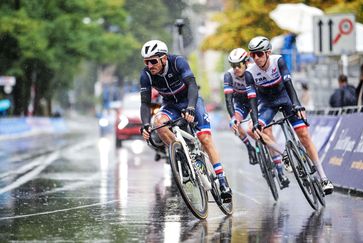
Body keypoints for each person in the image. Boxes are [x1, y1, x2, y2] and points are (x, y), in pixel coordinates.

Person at [139, 40, 232, 201]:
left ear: (164, 58)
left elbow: (192, 85)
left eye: (153, 61)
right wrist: (145, 125)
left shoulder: (178, 62)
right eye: (146, 61)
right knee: (158, 123)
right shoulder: (146, 75)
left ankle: (222, 179)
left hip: (190, 101)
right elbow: (145, 103)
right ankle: (181, 156)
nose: (149, 65)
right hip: (170, 105)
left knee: (205, 139)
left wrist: (190, 107)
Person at [244, 36, 334, 194]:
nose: (256, 58)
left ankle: (323, 177)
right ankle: (284, 153)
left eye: (259, 54)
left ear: (268, 53)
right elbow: (252, 98)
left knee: (304, 135)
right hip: (267, 104)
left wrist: (297, 104)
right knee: (254, 130)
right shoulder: (250, 73)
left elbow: (289, 84)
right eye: (252, 55)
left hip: (285, 99)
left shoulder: (277, 61)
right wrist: (255, 120)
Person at [223, 48, 257, 165]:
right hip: (242, 103)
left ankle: (277, 162)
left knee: (264, 131)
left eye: (239, 65)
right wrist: (233, 118)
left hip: (257, 102)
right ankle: (249, 147)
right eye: (233, 65)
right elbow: (228, 101)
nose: (236, 68)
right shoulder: (229, 75)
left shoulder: (254, 69)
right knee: (233, 124)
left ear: (246, 62)